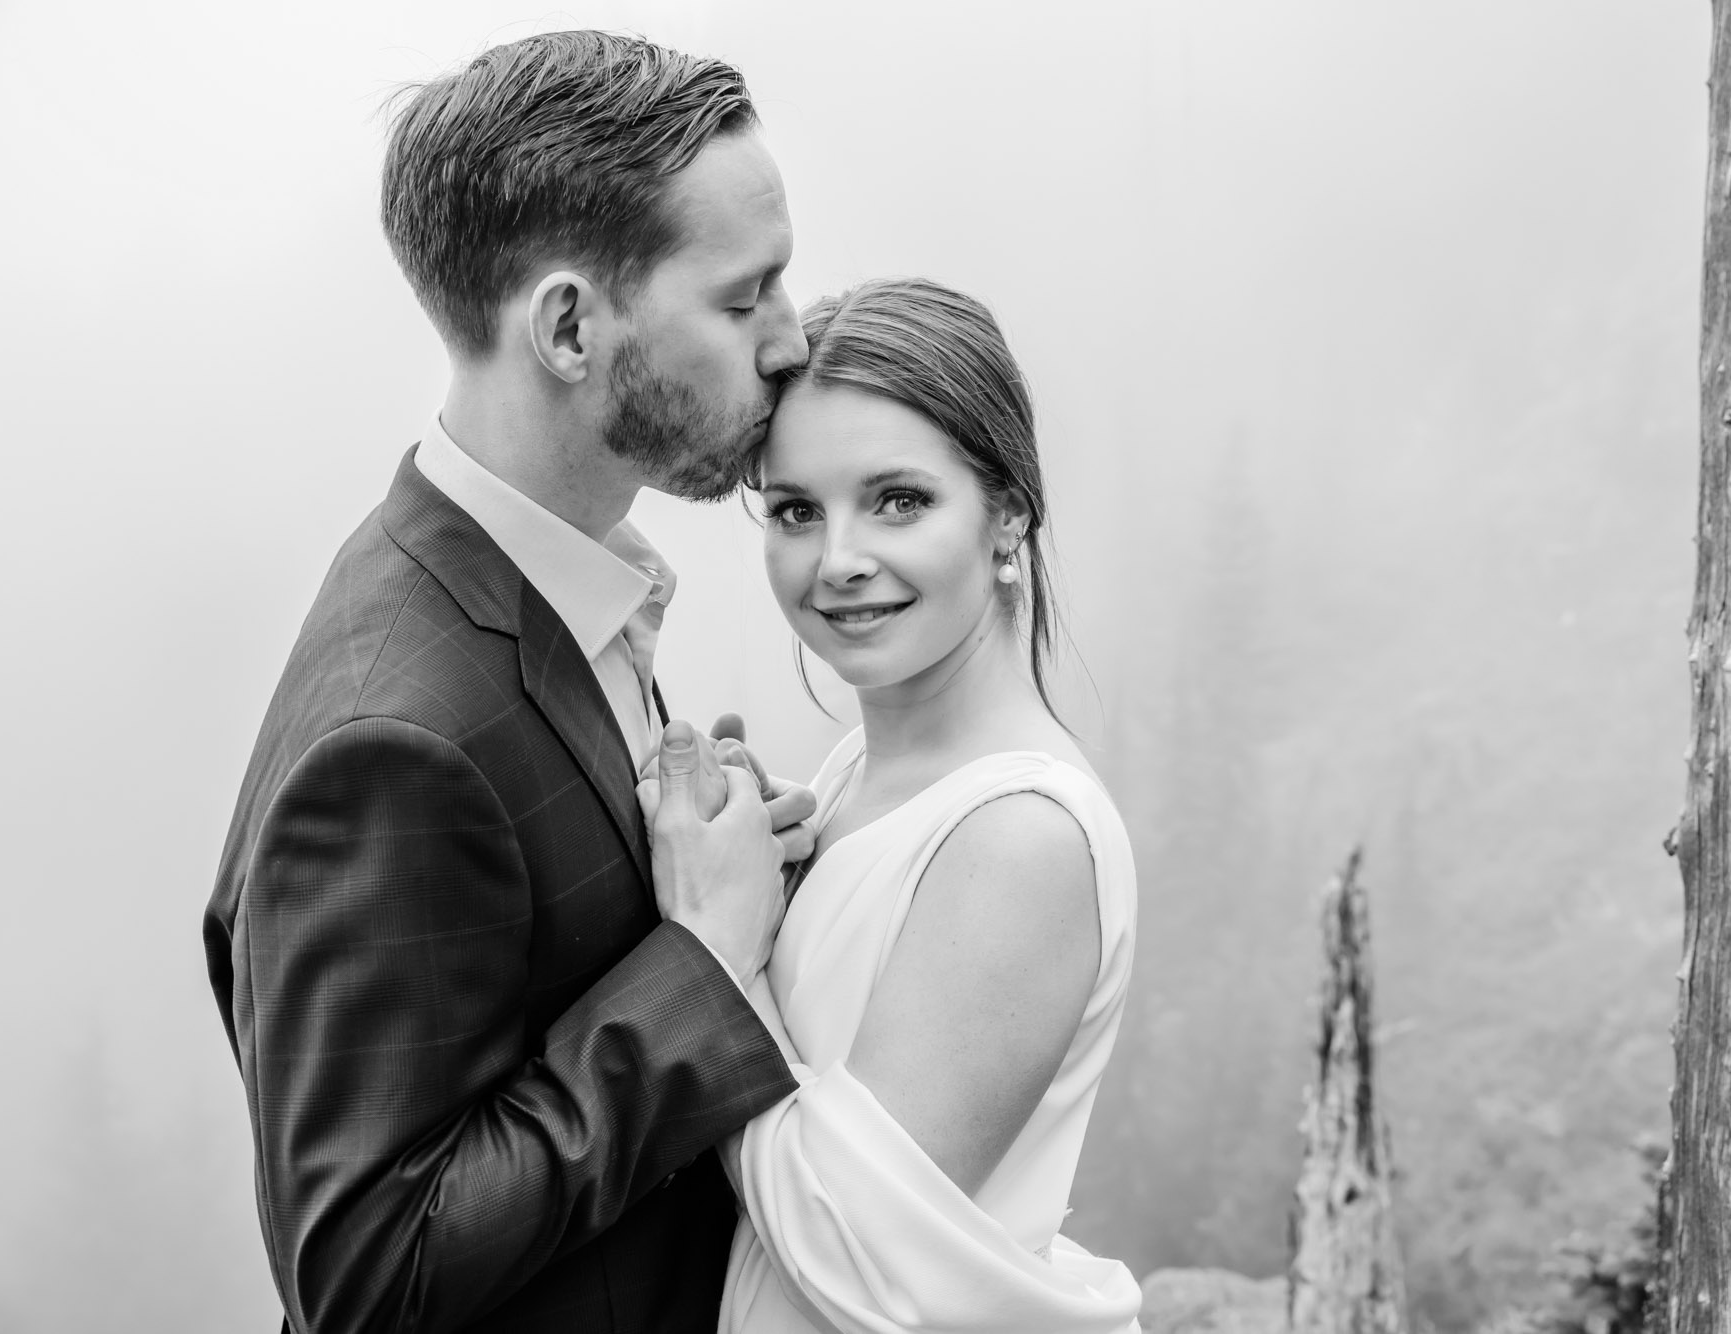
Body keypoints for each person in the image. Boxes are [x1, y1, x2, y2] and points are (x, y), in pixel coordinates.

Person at [203, 32, 819, 1333]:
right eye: (742, 296)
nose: (790, 339)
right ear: (568, 326)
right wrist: (705, 959)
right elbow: (368, 1272)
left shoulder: (545, 572)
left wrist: (705, 868)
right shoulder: (391, 743)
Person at [713, 278, 1144, 1333]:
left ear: (1006, 513)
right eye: (796, 510)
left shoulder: (1020, 835)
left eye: (898, 499)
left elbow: (850, 1248)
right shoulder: (853, 772)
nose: (839, 560)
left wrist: (711, 952)